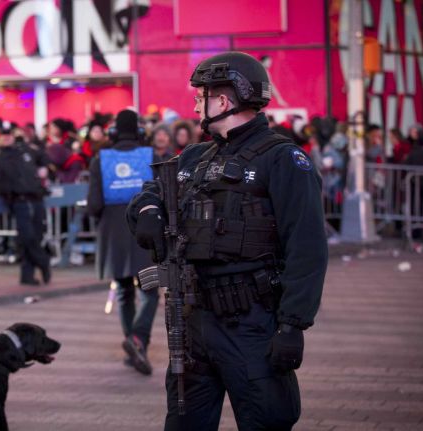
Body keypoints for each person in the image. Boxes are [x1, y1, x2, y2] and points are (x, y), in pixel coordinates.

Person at [127, 51, 328, 430]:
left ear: (223, 100)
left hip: (250, 323)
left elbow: (308, 248)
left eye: (200, 95)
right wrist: (148, 212)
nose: (195, 103)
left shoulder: (282, 159)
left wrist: (292, 326)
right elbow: (149, 193)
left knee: (266, 420)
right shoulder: (194, 157)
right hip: (192, 321)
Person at [87, 109, 158, 375]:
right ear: (140, 132)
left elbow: (93, 206)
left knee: (125, 292)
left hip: (113, 237)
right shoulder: (151, 156)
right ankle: (138, 339)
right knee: (150, 292)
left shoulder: (100, 160)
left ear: (113, 133)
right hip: (146, 236)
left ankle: (134, 341)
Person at [0, 123, 51, 285]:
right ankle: (42, 263)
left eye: (9, 134)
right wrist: (11, 190)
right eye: (3, 135)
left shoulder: (26, 151)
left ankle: (27, 275)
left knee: (36, 235)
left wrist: (44, 168)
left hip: (35, 198)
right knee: (27, 237)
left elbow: (43, 157)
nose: (6, 138)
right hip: (18, 201)